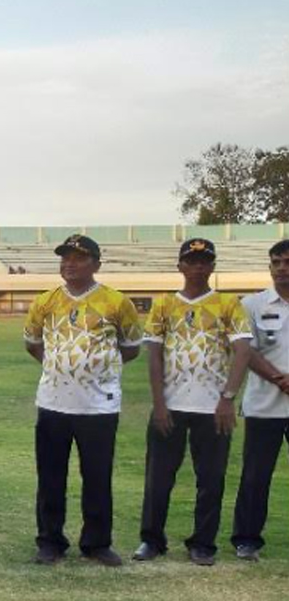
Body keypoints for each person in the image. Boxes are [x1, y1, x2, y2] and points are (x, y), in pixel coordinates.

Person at [24, 234, 143, 567]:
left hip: (98, 407)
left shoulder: (117, 302)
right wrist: (58, 367)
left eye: (79, 257)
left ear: (96, 264)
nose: (69, 263)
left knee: (97, 477)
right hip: (53, 403)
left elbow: (131, 348)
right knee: (50, 478)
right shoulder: (45, 301)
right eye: (65, 257)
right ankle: (50, 541)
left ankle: (96, 543)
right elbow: (33, 343)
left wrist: (96, 370)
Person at [136, 239, 251, 566]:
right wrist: (159, 404)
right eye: (192, 261)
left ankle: (203, 543)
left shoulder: (228, 303)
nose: (198, 267)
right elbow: (154, 356)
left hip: (213, 409)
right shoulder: (164, 304)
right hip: (170, 406)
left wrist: (228, 398)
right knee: (158, 478)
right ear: (180, 266)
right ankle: (151, 540)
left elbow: (243, 351)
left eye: (205, 261)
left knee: (211, 479)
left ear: (213, 266)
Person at [232, 239, 289, 561]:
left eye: (288, 262)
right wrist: (280, 379)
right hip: (264, 406)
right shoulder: (252, 304)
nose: (282, 269)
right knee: (256, 475)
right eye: (276, 263)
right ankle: (247, 539)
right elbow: (246, 351)